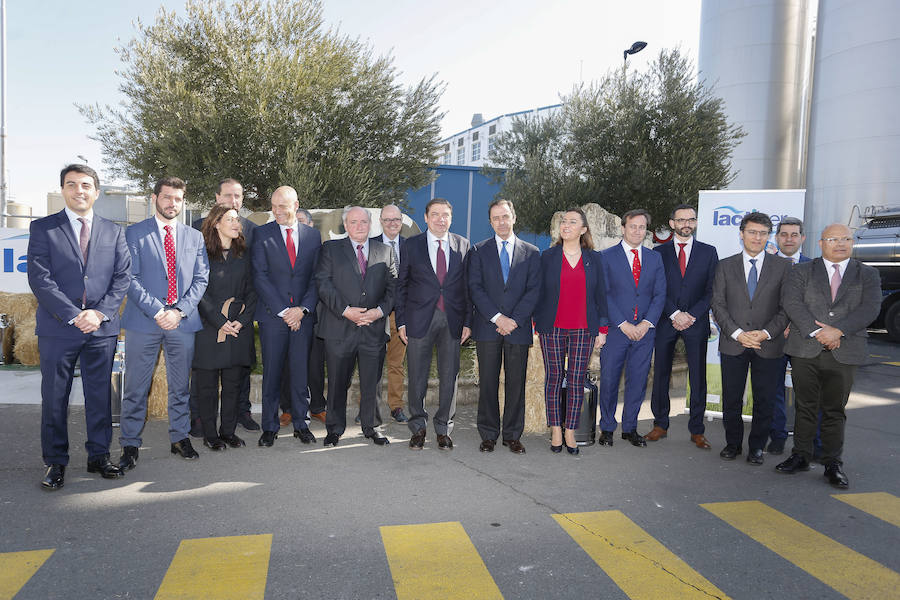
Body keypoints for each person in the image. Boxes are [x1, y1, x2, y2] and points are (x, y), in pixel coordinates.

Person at [27, 164, 132, 489]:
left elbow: (122, 277)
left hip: (101, 329)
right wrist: (74, 314)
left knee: (99, 396)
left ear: (96, 192)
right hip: (59, 328)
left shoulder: (114, 231)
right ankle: (55, 462)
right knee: (54, 397)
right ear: (63, 190)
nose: (79, 190)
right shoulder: (43, 228)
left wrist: (98, 314)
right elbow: (40, 278)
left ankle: (99, 456)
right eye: (71, 184)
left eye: (85, 185)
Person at [776, 224, 881, 488]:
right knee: (805, 406)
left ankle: (832, 462)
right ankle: (800, 455)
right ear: (821, 243)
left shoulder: (867, 274)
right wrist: (817, 332)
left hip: (845, 350)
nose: (841, 243)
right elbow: (792, 303)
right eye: (834, 239)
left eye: (846, 239)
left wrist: (838, 331)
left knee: (835, 410)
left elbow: (870, 308)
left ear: (852, 243)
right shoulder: (801, 271)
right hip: (805, 348)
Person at [119, 177, 210, 469]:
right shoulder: (134, 233)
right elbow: (129, 278)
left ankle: (179, 437)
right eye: (167, 197)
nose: (173, 203)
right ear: (155, 198)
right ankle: (130, 443)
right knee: (136, 387)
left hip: (182, 322)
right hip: (144, 321)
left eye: (178, 199)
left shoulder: (194, 237)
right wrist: (159, 311)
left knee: (180, 386)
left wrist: (179, 311)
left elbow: (201, 279)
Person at [711, 212, 790, 465]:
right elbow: (718, 304)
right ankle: (732, 444)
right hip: (733, 342)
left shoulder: (783, 267)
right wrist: (738, 334)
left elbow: (786, 308)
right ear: (742, 234)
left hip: (769, 344)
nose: (757, 238)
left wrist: (765, 333)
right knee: (732, 397)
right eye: (752, 232)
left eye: (763, 233)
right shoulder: (725, 265)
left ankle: (757, 447)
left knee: (765, 399)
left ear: (769, 236)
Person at [314, 206, 395, 447]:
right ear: (345, 225)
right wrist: (346, 310)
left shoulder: (385, 251)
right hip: (339, 328)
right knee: (337, 382)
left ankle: (372, 427)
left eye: (363, 222)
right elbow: (323, 284)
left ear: (371, 224)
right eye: (354, 222)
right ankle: (334, 428)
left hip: (373, 329)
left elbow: (394, 288)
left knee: (372, 383)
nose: (359, 226)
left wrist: (378, 311)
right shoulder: (330, 249)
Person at [396, 198, 471, 450]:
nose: (441, 219)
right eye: (435, 214)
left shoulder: (463, 244)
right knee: (417, 376)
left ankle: (443, 428)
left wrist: (468, 322)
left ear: (451, 218)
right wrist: (401, 321)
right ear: (426, 218)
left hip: (453, 320)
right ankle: (418, 427)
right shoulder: (411, 245)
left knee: (450, 377)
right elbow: (401, 285)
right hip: (419, 320)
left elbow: (467, 287)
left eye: (445, 214)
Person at [468, 199, 540, 454]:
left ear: (514, 217)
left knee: (515, 383)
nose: (501, 222)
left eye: (505, 216)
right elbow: (475, 288)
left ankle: (512, 435)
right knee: (488, 383)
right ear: (490, 222)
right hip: (488, 327)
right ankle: (488, 434)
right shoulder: (478, 251)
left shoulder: (532, 252)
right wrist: (498, 318)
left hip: (518, 329)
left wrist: (514, 320)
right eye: (496, 218)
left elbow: (534, 290)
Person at [534, 208, 608, 455]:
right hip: (552, 327)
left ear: (583, 229)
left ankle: (570, 432)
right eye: (564, 221)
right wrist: (536, 323)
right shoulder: (548, 256)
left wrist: (602, 329)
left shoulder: (595, 259)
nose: (566, 225)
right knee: (554, 378)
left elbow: (601, 296)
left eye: (572, 222)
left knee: (576, 381)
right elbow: (539, 292)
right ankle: (556, 429)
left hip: (584, 329)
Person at [645, 204, 719, 449]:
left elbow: (712, 290)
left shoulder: (709, 252)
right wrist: (675, 313)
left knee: (698, 377)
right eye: (681, 220)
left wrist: (692, 315)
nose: (686, 224)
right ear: (672, 223)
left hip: (696, 323)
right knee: (661, 375)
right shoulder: (658, 252)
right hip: (666, 321)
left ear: (695, 222)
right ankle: (660, 425)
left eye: (691, 219)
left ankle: (697, 430)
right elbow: (655, 288)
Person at [190, 178, 260, 435]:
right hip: (209, 327)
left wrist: (242, 319)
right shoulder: (198, 239)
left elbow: (253, 286)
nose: (234, 201)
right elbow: (197, 288)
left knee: (235, 381)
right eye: (228, 196)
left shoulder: (249, 241)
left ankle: (233, 425)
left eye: (238, 196)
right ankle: (203, 425)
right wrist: (219, 321)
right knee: (205, 383)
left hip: (238, 325)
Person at [252, 186, 321, 447]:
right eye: (273, 206)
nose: (276, 211)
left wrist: (302, 309)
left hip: (302, 317)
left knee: (300, 372)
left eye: (282, 206)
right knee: (272, 373)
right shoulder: (262, 234)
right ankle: (269, 426)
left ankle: (301, 424)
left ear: (296, 205)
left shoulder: (313, 236)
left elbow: (316, 277)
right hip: (273, 317)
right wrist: (284, 311)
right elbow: (260, 276)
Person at [598, 209, 666, 448]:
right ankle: (607, 428)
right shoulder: (606, 257)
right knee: (609, 380)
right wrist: (623, 323)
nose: (637, 231)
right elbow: (604, 294)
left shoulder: (655, 258)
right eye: (633, 226)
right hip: (617, 331)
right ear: (623, 228)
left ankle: (630, 428)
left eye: (642, 227)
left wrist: (646, 323)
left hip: (645, 332)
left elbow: (660, 294)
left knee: (638, 381)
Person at [767, 216, 811, 455]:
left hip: (804, 339)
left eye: (794, 235)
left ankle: (811, 443)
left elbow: (816, 305)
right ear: (776, 238)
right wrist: (777, 327)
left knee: (807, 392)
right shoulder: (766, 265)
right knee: (773, 390)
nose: (789, 239)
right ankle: (777, 437)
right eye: (784, 234)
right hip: (774, 338)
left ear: (802, 238)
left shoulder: (814, 267)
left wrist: (794, 325)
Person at [279, 207, 327, 427]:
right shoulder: (283, 247)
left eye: (301, 221)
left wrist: (304, 309)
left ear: (310, 225)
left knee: (315, 365)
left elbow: (321, 281)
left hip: (314, 313)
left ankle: (317, 407)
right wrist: (292, 313)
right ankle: (288, 409)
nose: (296, 224)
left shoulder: (321, 249)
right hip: (287, 315)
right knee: (287, 364)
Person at [372, 204, 409, 423]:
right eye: (387, 220)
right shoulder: (370, 245)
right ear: (381, 222)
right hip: (376, 314)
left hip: (400, 316)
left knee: (396, 363)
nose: (392, 223)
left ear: (401, 221)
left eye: (396, 219)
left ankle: (396, 406)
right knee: (372, 362)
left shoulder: (411, 246)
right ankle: (368, 407)